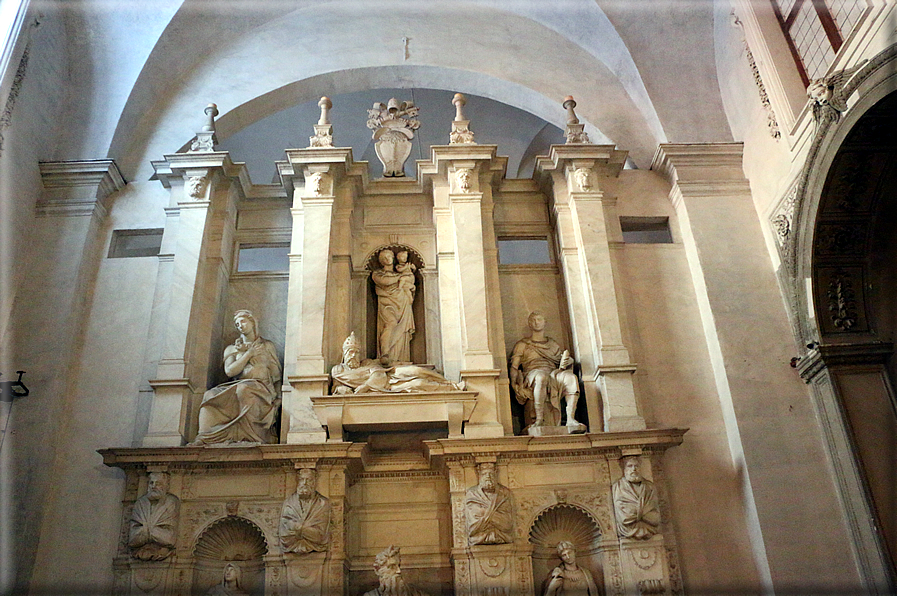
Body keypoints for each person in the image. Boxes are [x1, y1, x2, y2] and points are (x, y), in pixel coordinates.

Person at [191, 310, 282, 445]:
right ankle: (206, 436)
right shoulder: (231, 349)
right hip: (237, 384)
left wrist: (279, 397)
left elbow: (276, 375)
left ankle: (252, 437)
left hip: (261, 388)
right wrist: (248, 354)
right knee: (210, 394)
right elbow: (230, 371)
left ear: (253, 323)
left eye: (243, 321)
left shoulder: (267, 346)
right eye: (237, 323)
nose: (240, 325)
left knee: (243, 390)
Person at [509, 312, 585, 432]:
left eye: (539, 319)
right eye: (533, 320)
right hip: (532, 373)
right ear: (529, 323)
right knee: (541, 376)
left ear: (545, 322)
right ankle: (539, 420)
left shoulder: (552, 344)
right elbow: (514, 367)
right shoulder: (522, 345)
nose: (536, 322)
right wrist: (514, 384)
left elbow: (561, 361)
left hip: (553, 373)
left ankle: (570, 419)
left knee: (571, 378)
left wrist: (568, 361)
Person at [330, 333, 460, 394]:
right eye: (350, 352)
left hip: (390, 375)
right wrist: (342, 389)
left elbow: (378, 372)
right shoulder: (338, 371)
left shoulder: (366, 363)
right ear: (344, 354)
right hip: (386, 387)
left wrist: (365, 386)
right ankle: (450, 389)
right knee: (419, 383)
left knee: (416, 371)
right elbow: (335, 388)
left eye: (356, 352)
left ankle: (447, 382)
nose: (353, 355)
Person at [372, 249, 415, 363]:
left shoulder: (399, 274)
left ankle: (400, 358)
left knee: (402, 329)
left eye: (389, 256)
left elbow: (409, 283)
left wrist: (410, 286)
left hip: (402, 302)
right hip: (386, 303)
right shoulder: (377, 274)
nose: (388, 259)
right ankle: (385, 354)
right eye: (384, 257)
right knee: (390, 323)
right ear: (381, 261)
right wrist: (401, 277)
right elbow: (384, 281)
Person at [128, 472, 180, 561]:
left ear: (167, 486)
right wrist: (156, 532)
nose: (153, 486)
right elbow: (133, 539)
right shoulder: (140, 503)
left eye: (158, 483)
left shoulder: (171, 503)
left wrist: (145, 531)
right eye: (151, 483)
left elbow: (169, 539)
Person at [279, 468, 331, 554]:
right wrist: (308, 531)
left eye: (308, 480)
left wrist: (297, 528)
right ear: (297, 482)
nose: (304, 483)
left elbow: (319, 536)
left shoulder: (322, 503)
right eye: (301, 480)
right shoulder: (289, 503)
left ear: (314, 482)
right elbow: (285, 534)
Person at [465, 463, 514, 546]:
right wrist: (497, 517)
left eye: (491, 474)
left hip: (502, 537)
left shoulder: (504, 493)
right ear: (479, 476)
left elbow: (507, 524)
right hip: (478, 539)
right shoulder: (472, 494)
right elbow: (472, 527)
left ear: (495, 475)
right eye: (484, 474)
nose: (488, 476)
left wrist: (483, 513)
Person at [612, 456, 661, 539]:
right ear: (624, 469)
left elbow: (655, 517)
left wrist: (635, 512)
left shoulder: (650, 487)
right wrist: (644, 513)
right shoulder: (618, 487)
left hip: (649, 530)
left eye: (636, 466)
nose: (633, 469)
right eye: (630, 466)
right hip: (628, 530)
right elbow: (625, 517)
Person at [363, 545, 429, 596]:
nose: (398, 571)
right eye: (392, 567)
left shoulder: (416, 594)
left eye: (399, 566)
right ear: (378, 570)